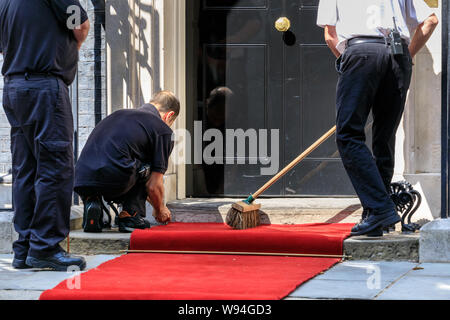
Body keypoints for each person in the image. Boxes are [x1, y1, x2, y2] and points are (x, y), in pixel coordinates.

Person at [317, 0, 438, 236]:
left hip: (361, 53)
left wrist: (349, 60)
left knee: (348, 135)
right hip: (398, 56)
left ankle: (379, 209)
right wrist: (406, 55)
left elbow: (330, 35)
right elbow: (431, 21)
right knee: (384, 138)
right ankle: (378, 218)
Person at [0, 0, 90, 270]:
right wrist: (66, 52)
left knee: (25, 170)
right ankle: (46, 247)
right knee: (55, 168)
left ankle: (24, 248)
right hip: (44, 87)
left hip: (14, 87)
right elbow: (82, 25)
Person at [74, 91, 179, 233]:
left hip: (82, 177)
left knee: (128, 159)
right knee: (148, 165)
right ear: (169, 115)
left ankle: (92, 201)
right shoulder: (162, 130)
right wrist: (160, 209)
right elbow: (153, 185)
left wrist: (156, 203)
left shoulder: (118, 115)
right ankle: (130, 215)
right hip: (115, 178)